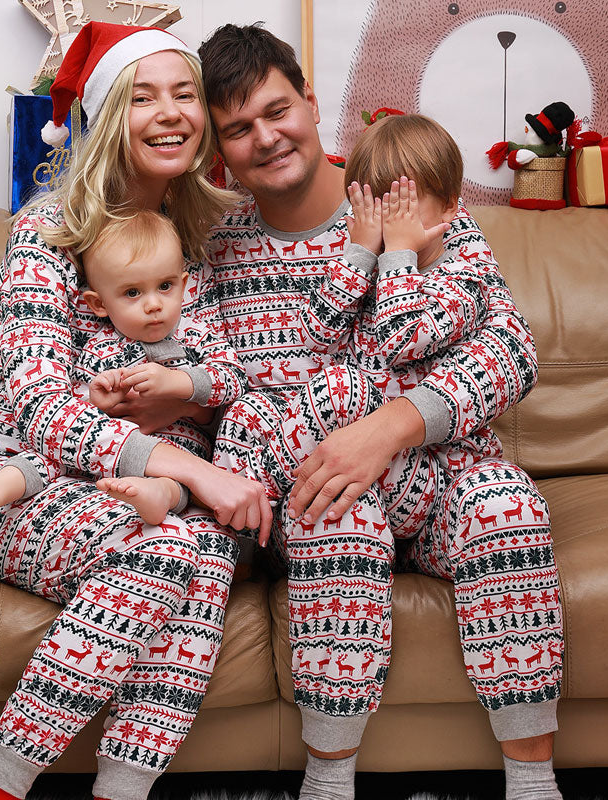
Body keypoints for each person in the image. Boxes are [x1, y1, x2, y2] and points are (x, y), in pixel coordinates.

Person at [185, 23, 561, 800]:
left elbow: (511, 350)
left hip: (440, 475)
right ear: (220, 147)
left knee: (508, 504)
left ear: (310, 101)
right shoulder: (215, 248)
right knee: (336, 510)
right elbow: (214, 384)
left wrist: (391, 428)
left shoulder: (409, 200)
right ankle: (329, 780)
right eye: (239, 129)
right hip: (317, 487)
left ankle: (534, 780)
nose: (266, 137)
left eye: (276, 111)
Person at [0, 21, 270, 800]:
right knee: (174, 549)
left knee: (206, 553)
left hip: (121, 491)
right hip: (0, 478)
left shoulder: (198, 244)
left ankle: (121, 790)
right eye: (143, 98)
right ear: (110, 116)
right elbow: (40, 405)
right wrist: (189, 468)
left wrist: (183, 392)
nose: (170, 112)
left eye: (184, 94)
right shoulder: (47, 233)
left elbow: (233, 379)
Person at [0, 210, 248, 534]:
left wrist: (181, 383)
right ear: (99, 305)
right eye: (133, 293)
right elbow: (72, 398)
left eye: (165, 286)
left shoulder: (195, 335)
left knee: (178, 481)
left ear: (184, 285)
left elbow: (233, 377)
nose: (154, 304)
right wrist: (98, 398)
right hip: (101, 450)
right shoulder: (101, 346)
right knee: (45, 458)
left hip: (171, 449)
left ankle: (154, 496)